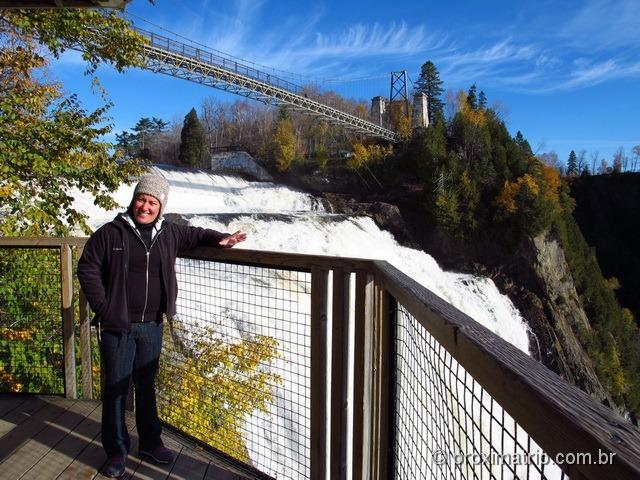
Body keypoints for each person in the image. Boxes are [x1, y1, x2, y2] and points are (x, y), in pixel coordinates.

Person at [77, 174, 246, 478]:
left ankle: (150, 443)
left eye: (152, 202)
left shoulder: (169, 233)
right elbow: (87, 266)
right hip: (118, 325)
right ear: (134, 200)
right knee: (116, 389)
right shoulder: (111, 233)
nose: (145, 206)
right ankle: (116, 452)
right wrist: (104, 307)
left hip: (153, 323)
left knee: (146, 387)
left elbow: (196, 235)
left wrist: (222, 238)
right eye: (142, 199)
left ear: (161, 205)